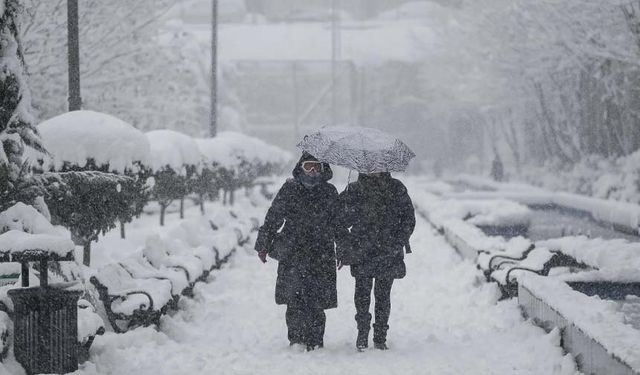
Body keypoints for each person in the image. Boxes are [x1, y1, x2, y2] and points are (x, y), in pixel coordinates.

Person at [254, 152, 338, 351]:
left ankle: (316, 340)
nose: (311, 170)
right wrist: (263, 244)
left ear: (322, 169)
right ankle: (297, 339)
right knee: (294, 297)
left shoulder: (329, 191)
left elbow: (339, 224)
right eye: (308, 166)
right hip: (293, 250)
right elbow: (274, 216)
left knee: (317, 300)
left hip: (321, 251)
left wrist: (345, 248)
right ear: (300, 167)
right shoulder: (290, 189)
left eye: (316, 167)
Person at [337, 172, 415, 351]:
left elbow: (408, 219)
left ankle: (380, 336)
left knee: (383, 294)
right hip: (362, 250)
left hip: (388, 250)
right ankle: (362, 332)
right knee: (362, 294)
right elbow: (339, 220)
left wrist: (398, 241)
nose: (375, 170)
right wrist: (345, 244)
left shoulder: (396, 187)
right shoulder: (354, 189)